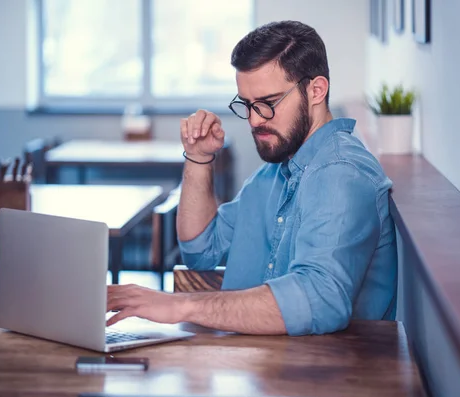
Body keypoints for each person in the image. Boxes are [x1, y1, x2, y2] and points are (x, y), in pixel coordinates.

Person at [107, 20, 397, 336]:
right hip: (258, 362)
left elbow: (321, 300)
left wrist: (182, 306)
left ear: (316, 90)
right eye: (247, 105)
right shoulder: (275, 172)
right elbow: (201, 250)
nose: (255, 120)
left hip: (325, 373)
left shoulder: (341, 173)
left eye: (268, 104)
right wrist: (199, 157)